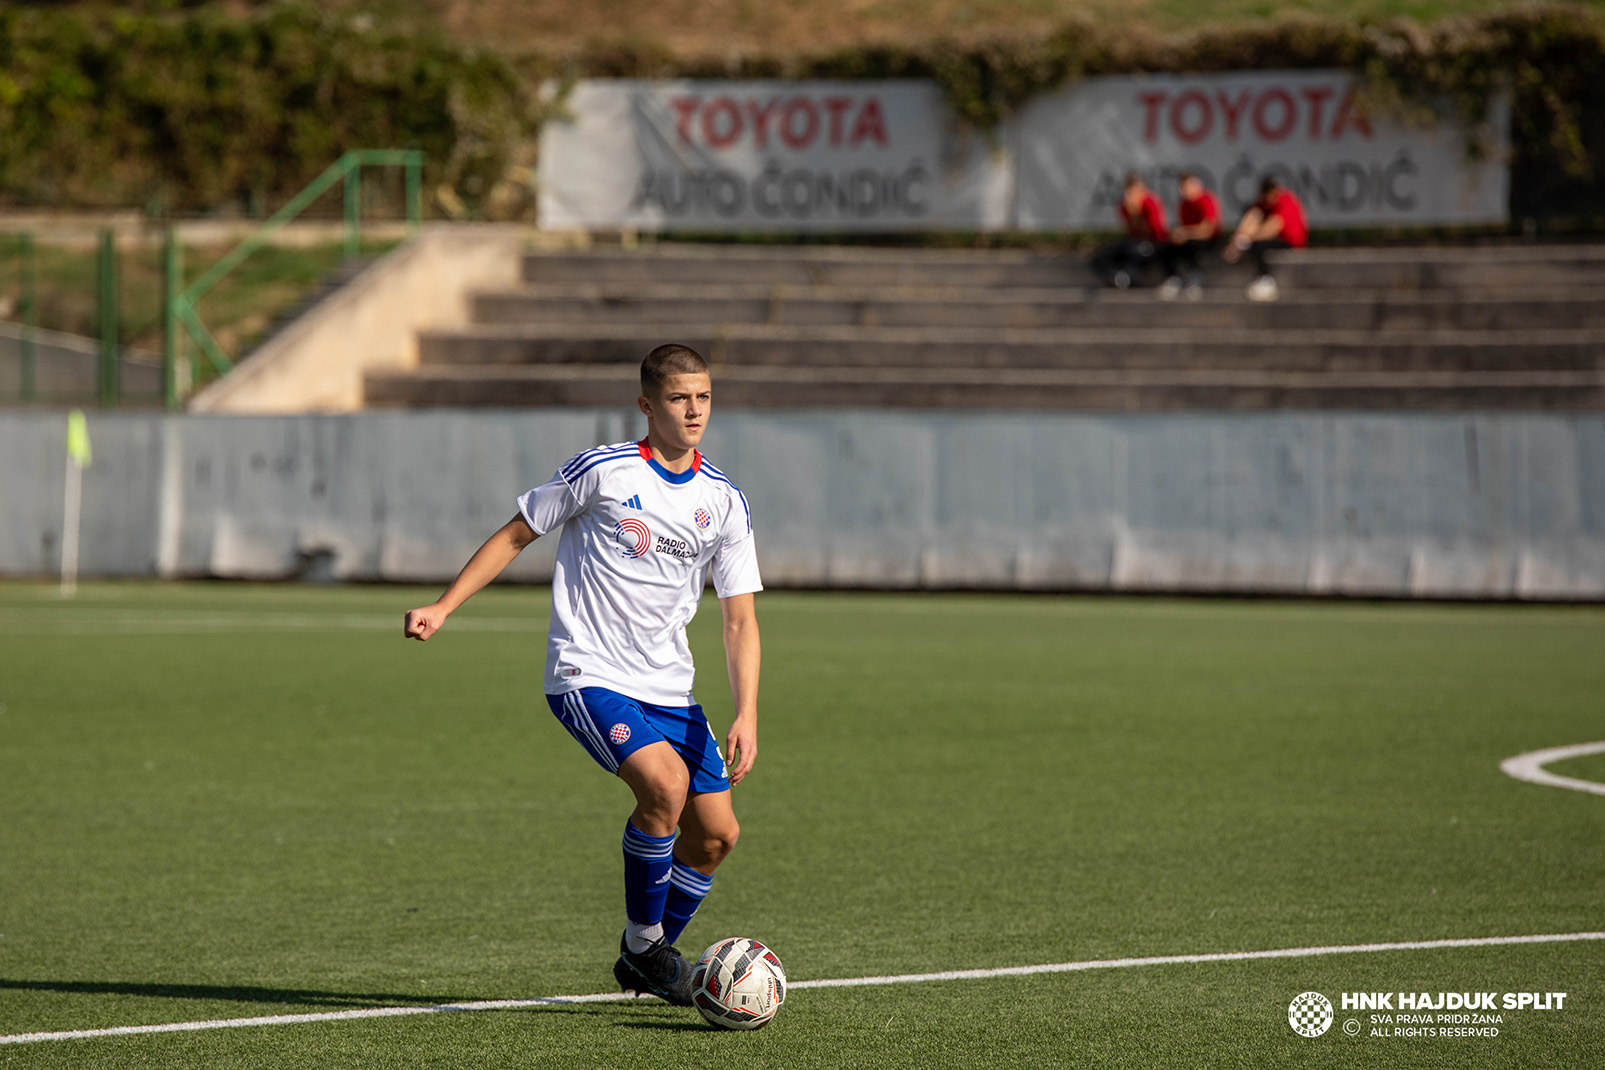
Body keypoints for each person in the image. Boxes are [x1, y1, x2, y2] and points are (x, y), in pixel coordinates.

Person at [402, 343, 762, 1007]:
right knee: (666, 786)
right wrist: (443, 606)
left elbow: (738, 620)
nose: (693, 410)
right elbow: (516, 534)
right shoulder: (601, 471)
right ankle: (646, 944)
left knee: (716, 835)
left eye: (703, 397)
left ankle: (645, 957)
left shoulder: (725, 502)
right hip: (586, 671)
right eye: (679, 398)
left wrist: (747, 712)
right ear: (646, 405)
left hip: (669, 689)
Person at [1222, 176, 1308, 302]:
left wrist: (1246, 240)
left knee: (1259, 244)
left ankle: (1266, 280)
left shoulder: (1286, 200)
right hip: (1274, 239)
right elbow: (1251, 217)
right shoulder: (1264, 203)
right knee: (1254, 215)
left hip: (1291, 242)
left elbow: (1273, 228)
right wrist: (1237, 241)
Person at [1091, 173, 1169, 289]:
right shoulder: (1125, 205)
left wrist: (1136, 213)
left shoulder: (1150, 202)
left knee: (1136, 252)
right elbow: (1129, 230)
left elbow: (1153, 230)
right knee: (1104, 254)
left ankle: (1128, 278)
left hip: (1153, 241)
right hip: (1135, 240)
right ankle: (1117, 276)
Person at [1158, 171, 1222, 301]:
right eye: (1182, 187)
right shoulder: (1183, 204)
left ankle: (1195, 279)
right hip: (1190, 239)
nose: (1185, 190)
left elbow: (1208, 229)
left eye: (1187, 186)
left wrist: (1186, 233)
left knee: (1192, 245)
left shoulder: (1206, 199)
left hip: (1208, 241)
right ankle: (1175, 279)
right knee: (1165, 247)